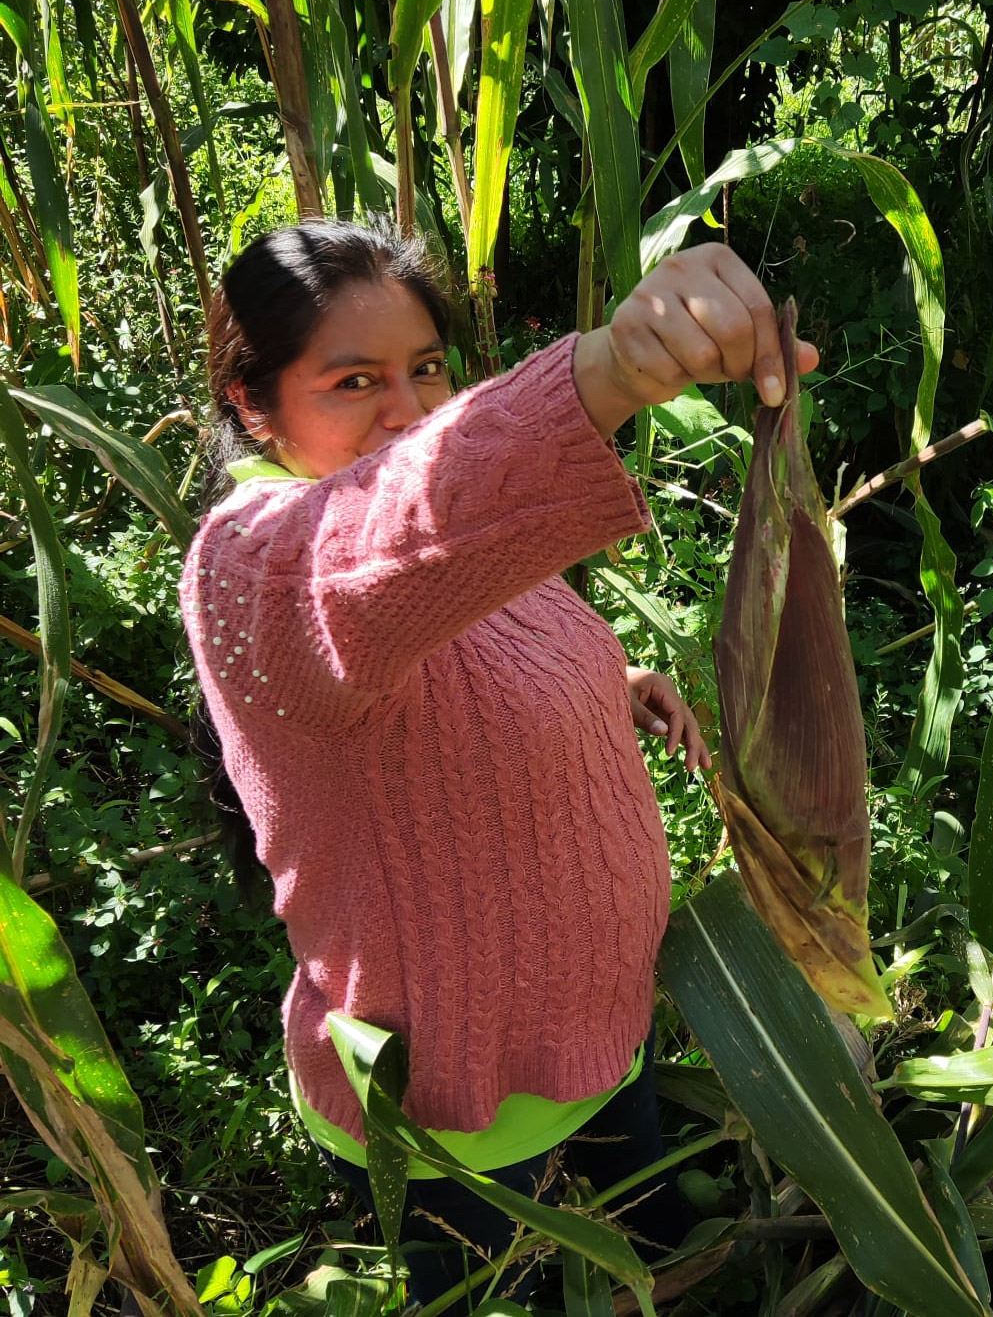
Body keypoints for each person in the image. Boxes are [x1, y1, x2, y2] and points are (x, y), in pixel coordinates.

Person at [181, 220, 816, 1308]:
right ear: (253, 404)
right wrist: (608, 369)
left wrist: (603, 687)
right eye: (352, 380)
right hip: (461, 1106)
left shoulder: (427, 546)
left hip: (603, 1031)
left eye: (426, 368)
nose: (409, 410)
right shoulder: (255, 568)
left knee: (666, 1261)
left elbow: (451, 656)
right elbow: (388, 540)